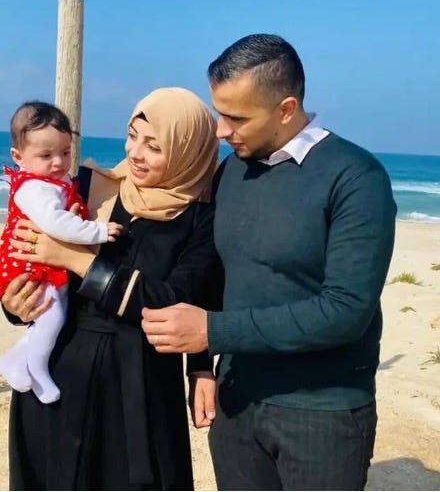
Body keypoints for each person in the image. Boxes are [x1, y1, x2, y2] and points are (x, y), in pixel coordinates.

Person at [142, 34, 397, 491]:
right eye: (219, 112)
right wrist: (201, 364)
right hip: (237, 401)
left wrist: (212, 332)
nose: (221, 130)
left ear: (286, 108)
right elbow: (210, 274)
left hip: (323, 413)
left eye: (235, 117)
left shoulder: (356, 177)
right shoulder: (231, 171)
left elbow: (346, 312)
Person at [1, 87, 223, 490]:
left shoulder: (200, 220)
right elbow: (32, 257)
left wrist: (76, 260)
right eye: (132, 136)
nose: (135, 153)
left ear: (187, 151)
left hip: (139, 387)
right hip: (58, 374)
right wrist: (16, 305)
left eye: (154, 146)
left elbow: (173, 303)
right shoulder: (90, 187)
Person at [0, 101, 122, 404]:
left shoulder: (52, 180)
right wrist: (99, 231)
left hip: (39, 264)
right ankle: (37, 369)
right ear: (18, 157)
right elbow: (58, 223)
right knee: (51, 315)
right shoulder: (34, 188)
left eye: (65, 152)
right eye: (46, 155)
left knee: (52, 313)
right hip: (29, 266)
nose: (59, 162)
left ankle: (16, 359)